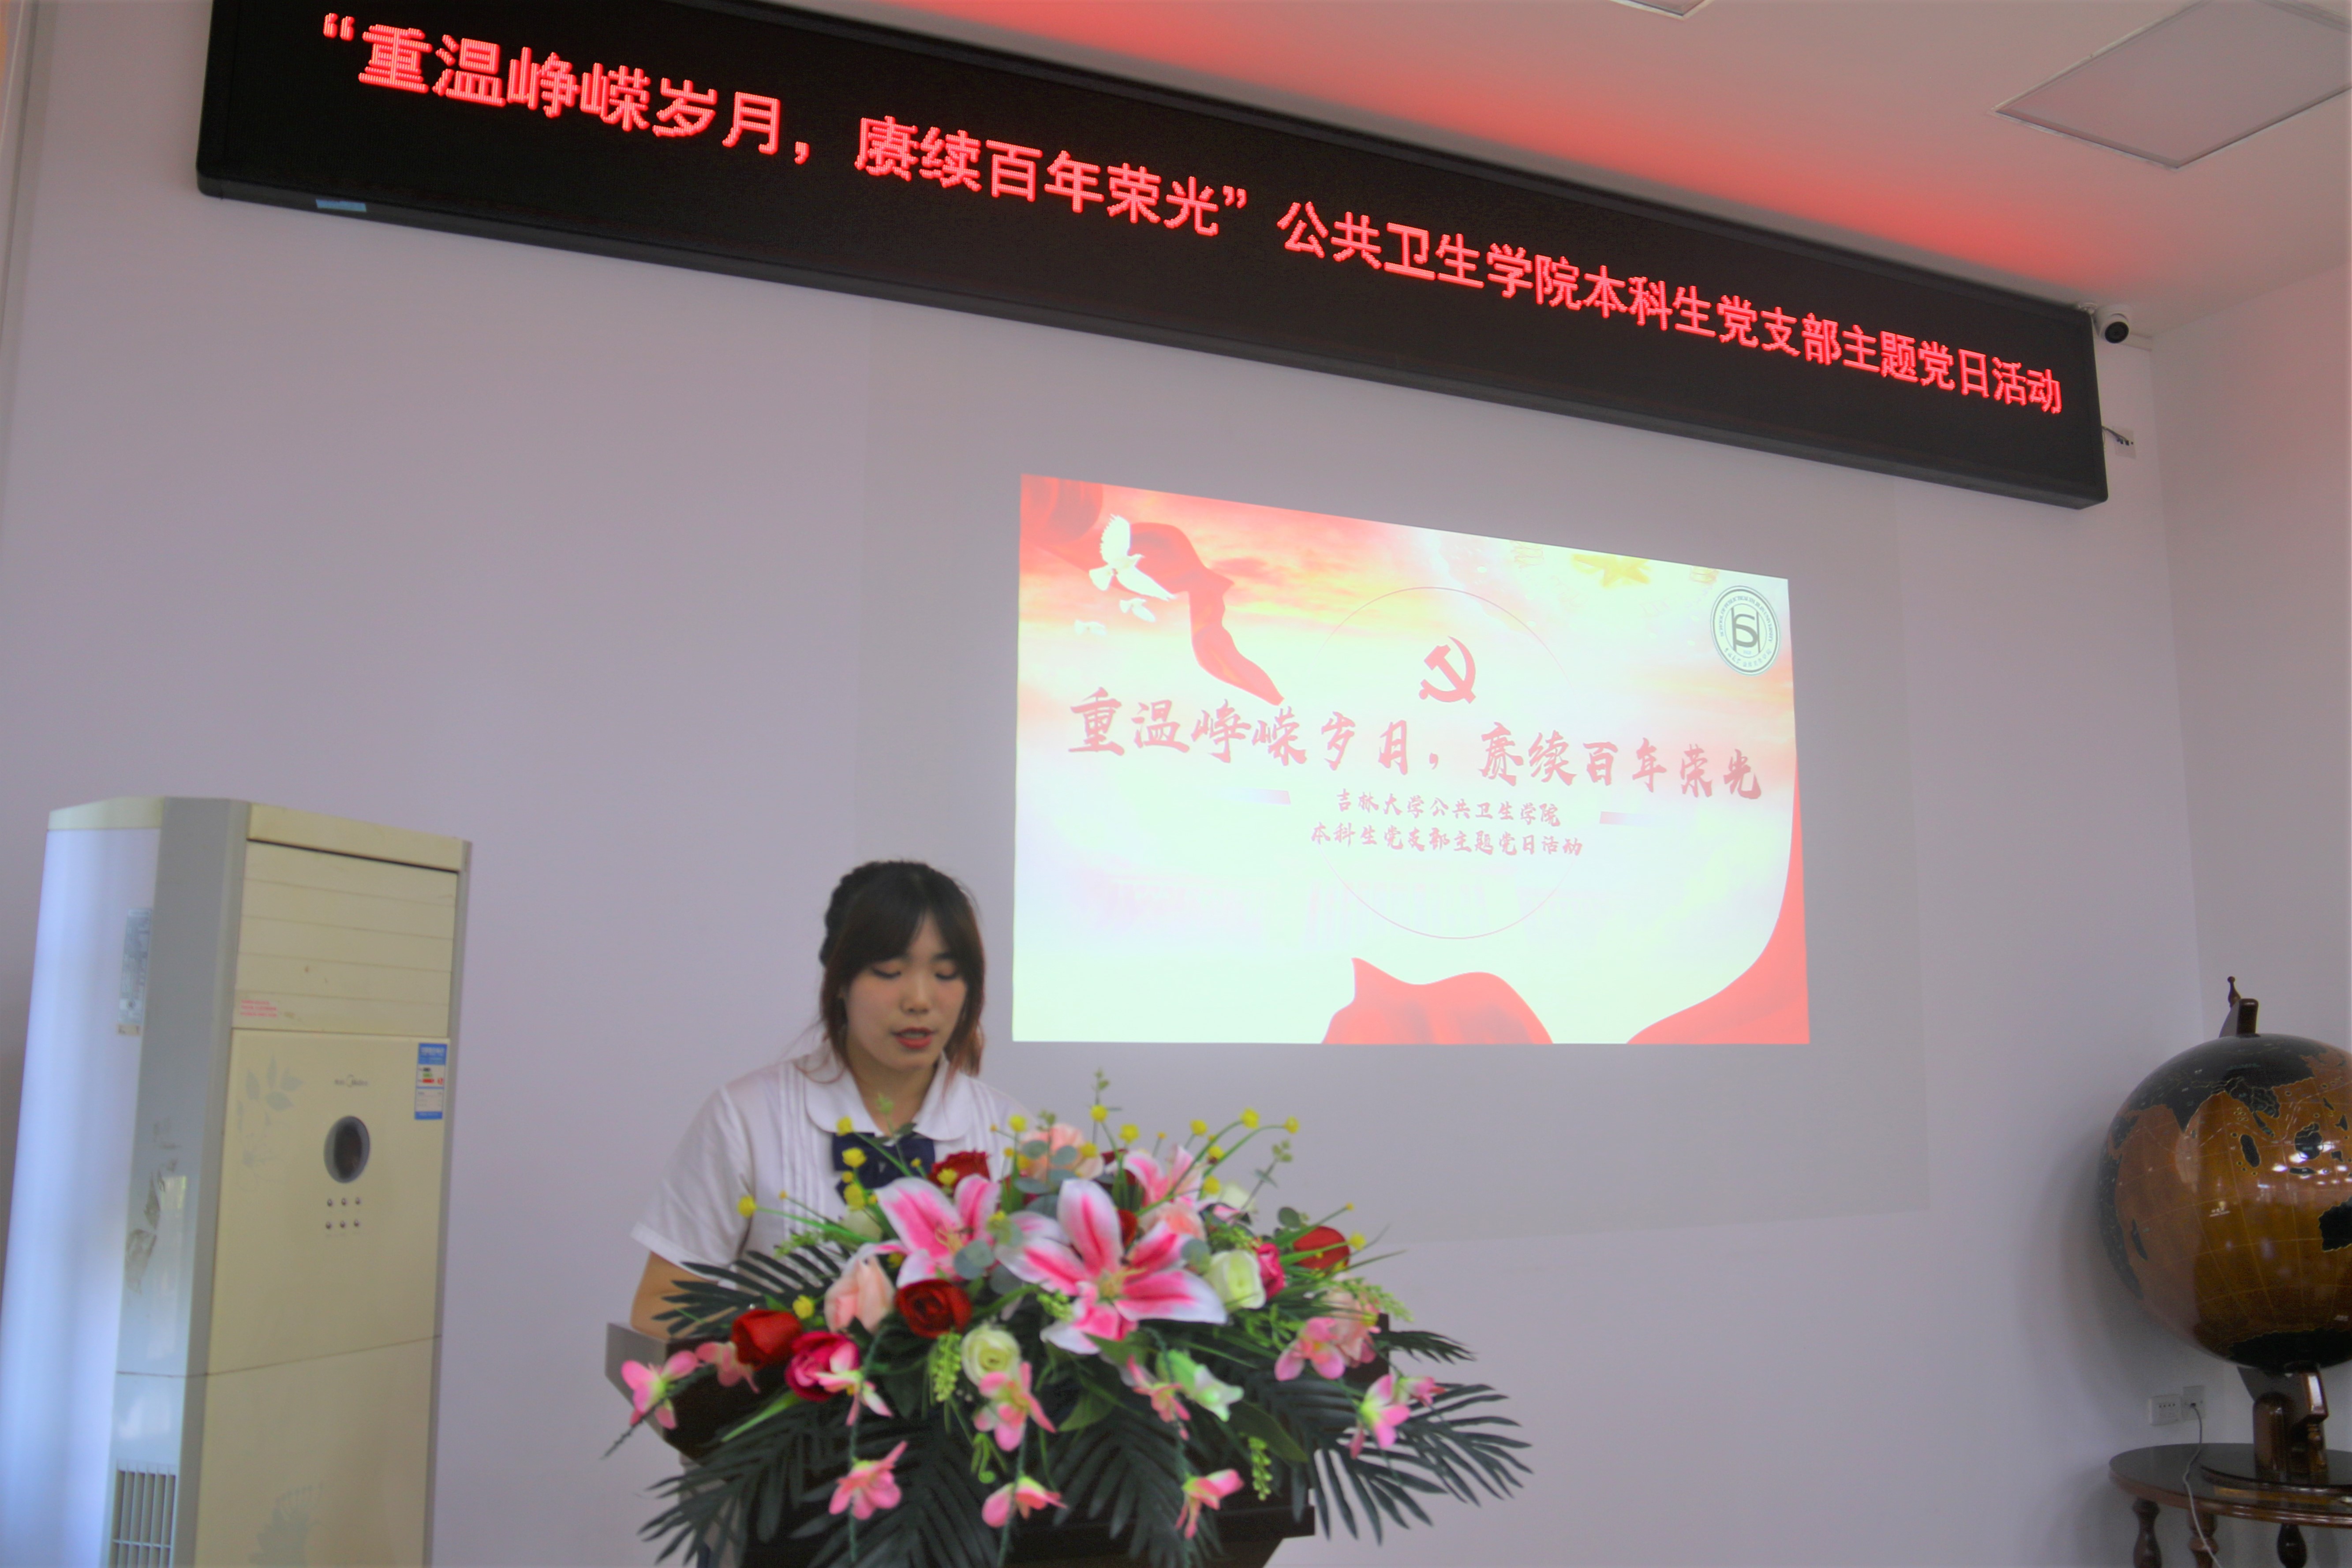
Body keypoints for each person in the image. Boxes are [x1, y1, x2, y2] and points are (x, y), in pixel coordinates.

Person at [628, 861, 1025, 1338]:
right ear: (838, 978)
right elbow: (658, 1307)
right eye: (889, 971)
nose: (920, 999)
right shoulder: (746, 1118)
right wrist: (790, 1350)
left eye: (946, 973)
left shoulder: (1011, 1134)